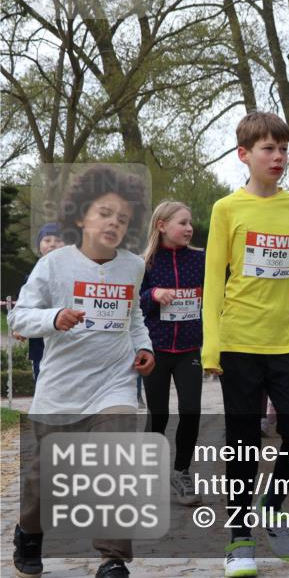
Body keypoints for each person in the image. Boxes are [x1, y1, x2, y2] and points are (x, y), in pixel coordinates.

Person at [201, 112, 289, 577]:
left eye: (283, 149)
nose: (278, 156)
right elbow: (214, 281)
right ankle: (239, 541)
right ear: (244, 155)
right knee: (242, 443)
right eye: (268, 148)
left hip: (285, 344)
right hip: (240, 341)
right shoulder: (227, 209)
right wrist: (211, 346)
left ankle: (271, 503)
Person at [11, 165, 154, 578]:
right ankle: (29, 531)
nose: (113, 222)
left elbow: (134, 317)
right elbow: (19, 318)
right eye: (105, 212)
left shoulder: (131, 266)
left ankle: (112, 558)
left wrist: (143, 347)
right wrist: (54, 318)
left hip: (114, 383)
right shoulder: (54, 265)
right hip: (61, 389)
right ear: (80, 216)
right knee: (44, 479)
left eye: (123, 218)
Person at [139, 200, 205, 507]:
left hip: (189, 347)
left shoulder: (200, 260)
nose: (189, 228)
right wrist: (153, 294)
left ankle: (182, 471)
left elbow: (218, 291)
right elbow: (132, 302)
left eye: (190, 222)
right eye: (182, 222)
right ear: (162, 226)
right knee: (159, 414)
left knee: (191, 410)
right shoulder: (146, 263)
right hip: (157, 348)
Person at [24, 222, 65, 380]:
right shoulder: (31, 277)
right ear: (39, 245)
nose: (52, 244)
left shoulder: (76, 275)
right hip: (40, 347)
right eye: (47, 240)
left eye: (58, 240)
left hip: (68, 345)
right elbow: (24, 309)